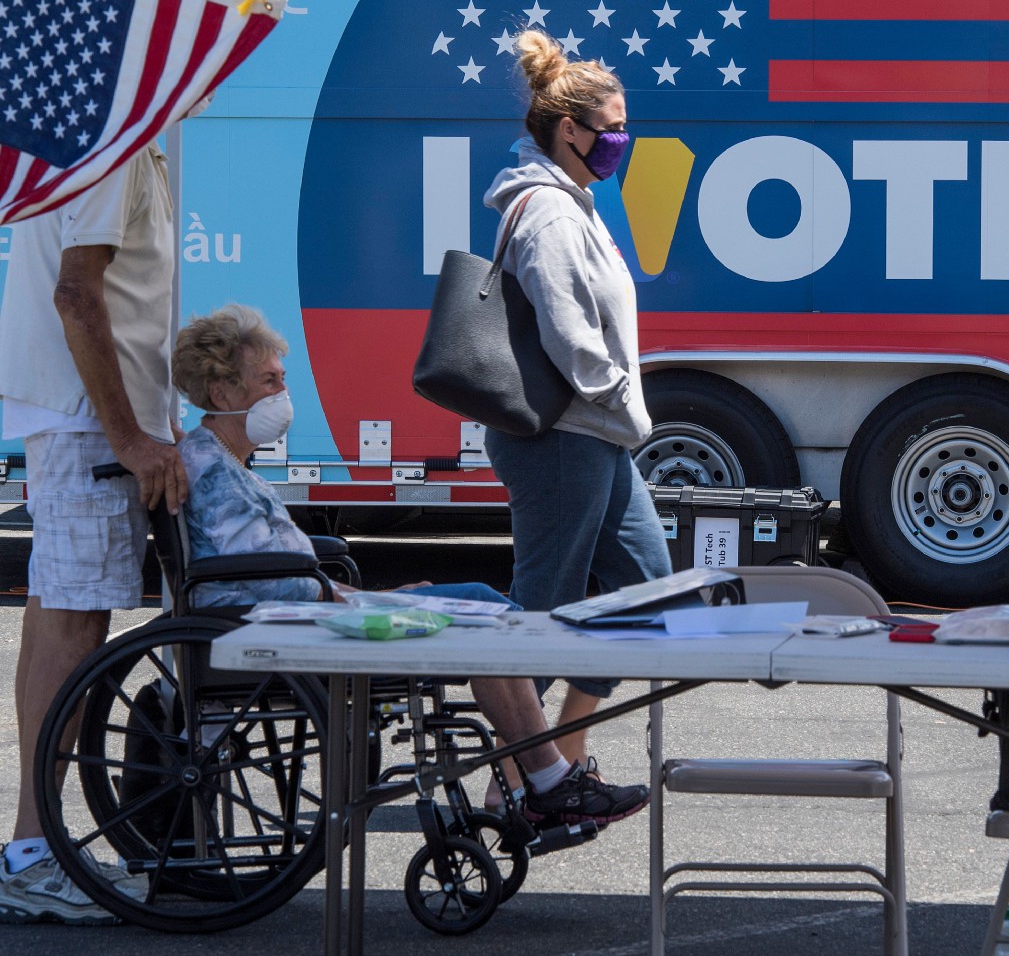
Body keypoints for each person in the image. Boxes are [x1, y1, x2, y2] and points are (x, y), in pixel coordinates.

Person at [170, 303, 649, 830]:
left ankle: (545, 777)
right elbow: (267, 581)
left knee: (483, 606)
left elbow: (268, 571)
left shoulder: (223, 462)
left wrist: (374, 596)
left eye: (282, 379)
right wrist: (367, 599)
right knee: (485, 612)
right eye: (267, 381)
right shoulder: (212, 470)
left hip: (300, 614)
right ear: (221, 393)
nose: (282, 394)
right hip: (283, 632)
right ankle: (548, 779)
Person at [0, 141, 189, 925]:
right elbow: (77, 295)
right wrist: (130, 438)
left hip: (75, 419)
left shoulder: (109, 138)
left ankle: (35, 849)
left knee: (62, 616)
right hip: (87, 426)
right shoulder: (116, 147)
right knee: (74, 621)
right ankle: (33, 854)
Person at [481, 29, 672, 776]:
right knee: (542, 615)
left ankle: (561, 751)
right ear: (571, 130)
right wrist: (624, 400)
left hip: (595, 436)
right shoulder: (552, 213)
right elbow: (569, 333)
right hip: (566, 435)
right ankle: (520, 779)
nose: (622, 141)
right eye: (613, 127)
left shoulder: (575, 202)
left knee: (648, 593)